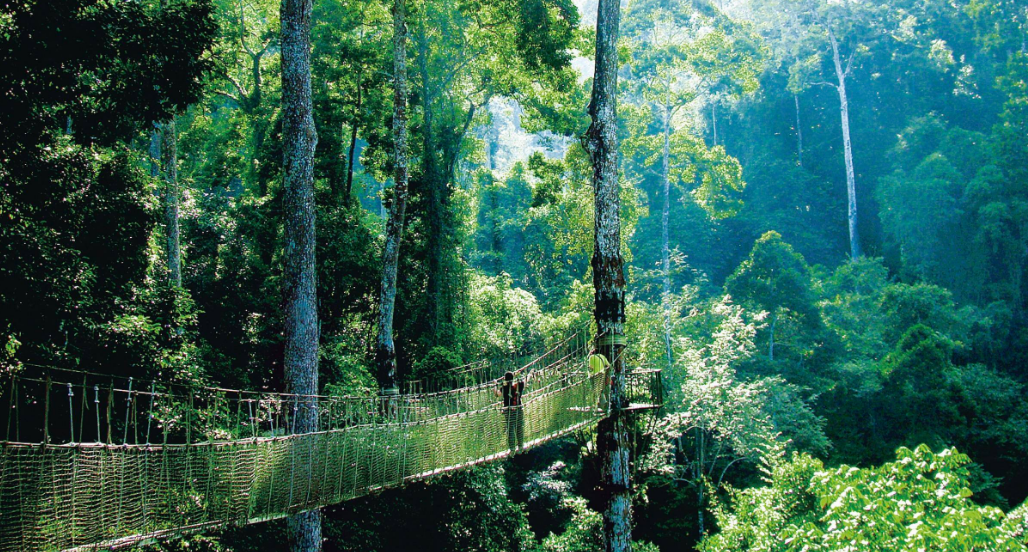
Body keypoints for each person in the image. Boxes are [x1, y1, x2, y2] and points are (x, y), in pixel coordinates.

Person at [498, 371, 526, 453]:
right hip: (519, 409)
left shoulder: (504, 387)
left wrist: (495, 385)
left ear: (505, 379)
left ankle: (512, 449)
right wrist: (530, 374)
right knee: (519, 428)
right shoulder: (519, 385)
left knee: (510, 430)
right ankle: (520, 447)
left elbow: (497, 394)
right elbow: (526, 381)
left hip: (509, 411)